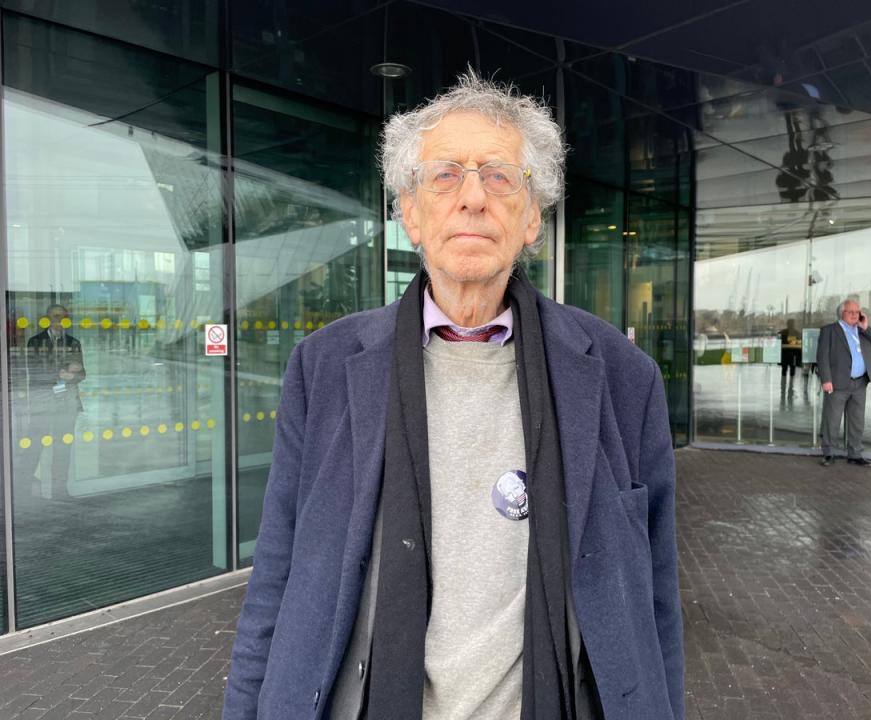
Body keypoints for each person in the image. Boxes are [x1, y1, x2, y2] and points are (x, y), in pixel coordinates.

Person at [222, 72, 683, 720]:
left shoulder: (622, 378)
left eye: (500, 175)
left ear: (532, 217)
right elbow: (274, 583)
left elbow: (655, 602)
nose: (473, 197)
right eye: (445, 176)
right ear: (410, 213)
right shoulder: (322, 368)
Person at [19, 303, 85, 499]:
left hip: (66, 402)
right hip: (44, 401)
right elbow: (35, 372)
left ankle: (59, 491)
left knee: (63, 448)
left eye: (63, 317)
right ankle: (22, 489)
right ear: (48, 319)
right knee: (35, 444)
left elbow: (83, 373)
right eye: (55, 317)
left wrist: (72, 377)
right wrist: (61, 373)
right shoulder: (35, 342)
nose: (59, 321)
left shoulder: (74, 342)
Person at [816, 299, 871, 467]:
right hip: (838, 383)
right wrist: (826, 379)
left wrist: (866, 327)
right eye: (851, 311)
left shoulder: (862, 331)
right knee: (832, 420)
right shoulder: (830, 331)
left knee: (857, 421)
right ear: (842, 313)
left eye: (857, 312)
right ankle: (829, 453)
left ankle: (855, 454)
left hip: (860, 383)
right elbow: (822, 357)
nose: (855, 314)